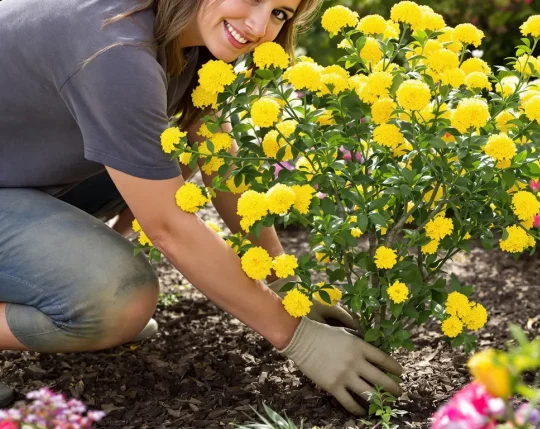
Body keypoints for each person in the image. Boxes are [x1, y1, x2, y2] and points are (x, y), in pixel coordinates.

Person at [0, 0, 403, 416]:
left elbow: (211, 147)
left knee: (171, 149)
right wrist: (298, 338)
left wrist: (279, 278)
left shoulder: (187, 32)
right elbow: (168, 226)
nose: (259, 26)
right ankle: (82, 289)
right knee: (120, 299)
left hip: (18, 175)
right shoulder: (114, 48)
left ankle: (69, 276)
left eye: (280, 13)